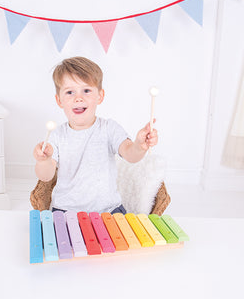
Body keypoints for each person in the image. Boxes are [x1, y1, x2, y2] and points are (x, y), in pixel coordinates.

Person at [33, 56, 158, 214]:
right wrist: (43, 160)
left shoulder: (109, 128)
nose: (78, 98)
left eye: (86, 90)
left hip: (109, 210)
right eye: (70, 92)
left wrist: (140, 145)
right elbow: (46, 176)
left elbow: (130, 155)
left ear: (100, 96)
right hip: (66, 211)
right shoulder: (57, 136)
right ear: (59, 100)